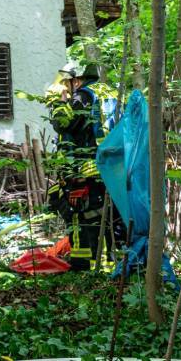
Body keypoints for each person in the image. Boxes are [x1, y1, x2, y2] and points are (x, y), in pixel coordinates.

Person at [45, 62, 116, 271]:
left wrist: (58, 104)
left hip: (87, 168)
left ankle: (88, 266)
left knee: (84, 217)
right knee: (110, 216)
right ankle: (109, 262)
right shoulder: (108, 93)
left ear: (76, 80)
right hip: (111, 166)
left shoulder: (83, 96)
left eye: (66, 83)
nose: (66, 88)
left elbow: (63, 124)